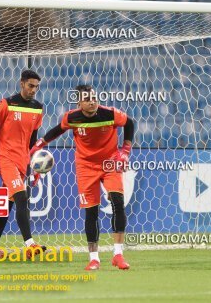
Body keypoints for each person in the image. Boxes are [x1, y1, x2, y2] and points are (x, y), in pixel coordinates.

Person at [30, 85, 134, 270]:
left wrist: (125, 151)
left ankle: (118, 254)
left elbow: (130, 123)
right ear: (79, 103)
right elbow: (58, 130)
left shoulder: (110, 114)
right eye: (87, 99)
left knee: (117, 202)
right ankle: (94, 258)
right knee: (91, 211)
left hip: (110, 163)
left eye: (94, 97)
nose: (92, 101)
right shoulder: (72, 117)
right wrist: (39, 144)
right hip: (85, 166)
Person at [0, 70, 46, 259]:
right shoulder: (5, 104)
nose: (33, 90)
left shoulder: (38, 108)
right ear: (21, 83)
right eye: (30, 85)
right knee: (22, 198)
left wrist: (35, 165)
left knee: (8, 204)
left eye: (36, 87)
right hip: (5, 159)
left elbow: (33, 140)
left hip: (22, 161)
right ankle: (30, 244)